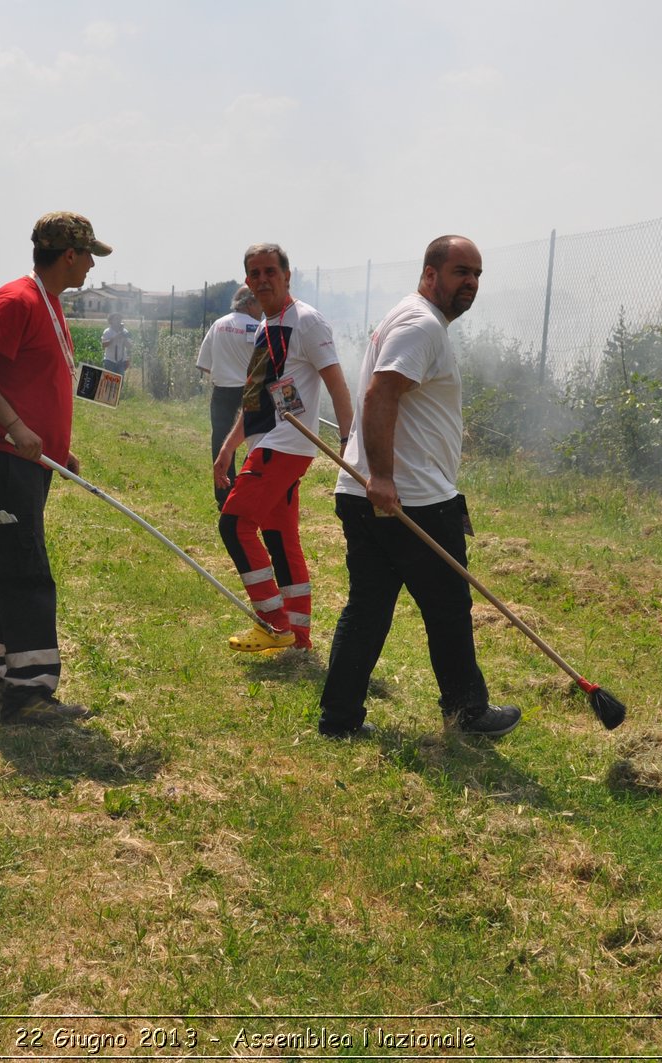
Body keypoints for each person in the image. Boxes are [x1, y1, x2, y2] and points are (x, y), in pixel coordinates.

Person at [316, 235, 521, 739]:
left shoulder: (413, 318)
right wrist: (384, 477)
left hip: (377, 491)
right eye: (459, 272)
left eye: (476, 274)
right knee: (448, 606)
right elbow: (380, 393)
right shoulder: (421, 324)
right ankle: (468, 710)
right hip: (411, 498)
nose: (470, 283)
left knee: (368, 607)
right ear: (431, 274)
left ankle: (338, 720)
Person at [0, 211, 113, 724]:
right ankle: (29, 692)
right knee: (26, 569)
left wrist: (57, 448)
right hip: (2, 459)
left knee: (2, 562)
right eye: (88, 256)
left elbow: (33, 377)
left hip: (28, 462)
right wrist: (16, 427)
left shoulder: (49, 303)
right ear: (69, 255)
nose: (91, 266)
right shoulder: (18, 299)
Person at [213, 243, 353, 654]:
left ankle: (274, 624)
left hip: (286, 445)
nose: (262, 280)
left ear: (287, 276)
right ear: (247, 281)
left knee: (234, 526)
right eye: (254, 273)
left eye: (270, 271)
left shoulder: (307, 322)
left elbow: (336, 383)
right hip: (267, 441)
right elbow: (255, 399)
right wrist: (228, 450)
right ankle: (299, 641)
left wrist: (348, 443)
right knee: (279, 538)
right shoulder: (263, 326)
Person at [197, 285, 262, 508]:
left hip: (222, 390)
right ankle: (248, 491)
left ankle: (224, 495)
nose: (262, 309)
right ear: (249, 303)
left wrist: (225, 371)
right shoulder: (259, 327)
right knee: (257, 441)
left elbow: (204, 363)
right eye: (259, 304)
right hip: (251, 390)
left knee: (222, 441)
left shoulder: (218, 325)